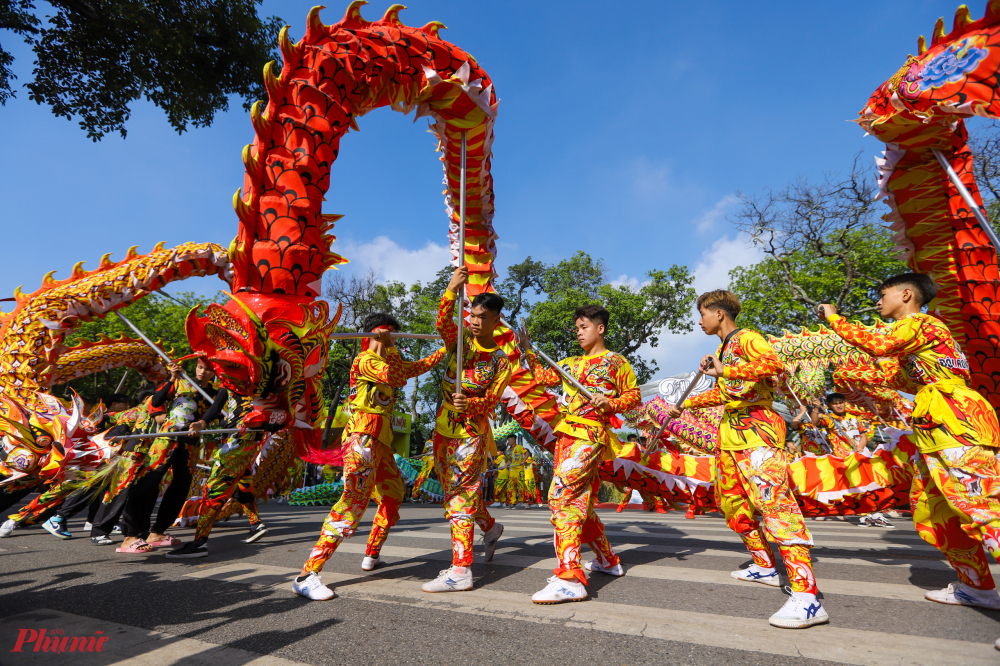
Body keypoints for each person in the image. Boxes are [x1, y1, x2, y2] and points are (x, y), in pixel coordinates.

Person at [819, 273, 1000, 611]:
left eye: (882, 293)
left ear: (905, 295)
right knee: (934, 512)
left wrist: (833, 318)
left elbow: (878, 346)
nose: (878, 301)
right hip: (934, 428)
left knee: (984, 510)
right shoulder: (915, 341)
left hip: (958, 423)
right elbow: (889, 378)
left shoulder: (923, 324)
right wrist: (849, 375)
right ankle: (978, 587)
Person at [667, 290, 828, 629]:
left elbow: (773, 364)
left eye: (703, 314)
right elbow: (728, 393)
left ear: (719, 314)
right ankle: (765, 565)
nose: (700, 321)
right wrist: (687, 405)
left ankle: (807, 596)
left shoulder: (747, 338)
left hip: (758, 431)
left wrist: (723, 369)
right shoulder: (722, 349)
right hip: (730, 437)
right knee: (732, 503)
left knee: (776, 507)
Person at [293, 313, 447, 599]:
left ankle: (372, 554)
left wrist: (447, 347)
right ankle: (307, 573)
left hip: (382, 444)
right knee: (352, 501)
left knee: (392, 496)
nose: (392, 343)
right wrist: (388, 346)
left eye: (392, 338)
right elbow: (399, 377)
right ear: (374, 336)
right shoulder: (365, 360)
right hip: (362, 440)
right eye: (387, 336)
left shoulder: (386, 361)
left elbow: (415, 367)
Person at [519, 304, 640, 604]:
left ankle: (569, 577)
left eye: (583, 326)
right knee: (578, 503)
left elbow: (633, 396)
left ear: (600, 329)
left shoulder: (615, 362)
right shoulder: (569, 364)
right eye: (577, 327)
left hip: (590, 436)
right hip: (566, 437)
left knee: (561, 499)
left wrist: (611, 403)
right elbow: (542, 377)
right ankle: (607, 560)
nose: (578, 331)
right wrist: (527, 350)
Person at [419, 267, 510, 593]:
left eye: (482, 317)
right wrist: (450, 290)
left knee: (460, 496)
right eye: (471, 314)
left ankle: (460, 569)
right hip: (443, 430)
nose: (474, 321)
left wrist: (469, 405)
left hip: (472, 434)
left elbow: (492, 400)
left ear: (496, 320)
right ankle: (490, 525)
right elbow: (443, 324)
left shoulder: (501, 360)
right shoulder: (459, 342)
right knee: (454, 493)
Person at [118, 358, 217, 553]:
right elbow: (155, 402)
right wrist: (172, 378)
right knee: (148, 480)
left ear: (215, 373)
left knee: (181, 487)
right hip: (165, 439)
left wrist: (203, 424)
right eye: (199, 367)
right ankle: (130, 536)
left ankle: (158, 532)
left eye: (208, 369)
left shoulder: (215, 393)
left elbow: (217, 414)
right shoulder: (180, 382)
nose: (202, 372)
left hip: (190, 444)